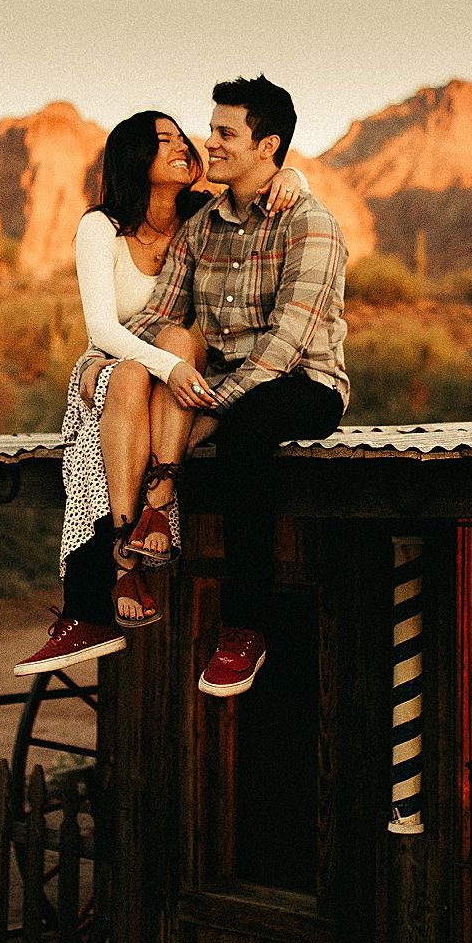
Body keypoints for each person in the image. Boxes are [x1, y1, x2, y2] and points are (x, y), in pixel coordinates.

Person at [14, 110, 304, 676]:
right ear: (134, 159)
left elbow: (269, 189)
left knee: (178, 335)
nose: (184, 146)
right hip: (120, 368)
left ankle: (150, 509)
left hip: (190, 369)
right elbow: (102, 330)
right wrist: (166, 369)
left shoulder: (204, 214)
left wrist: (296, 178)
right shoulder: (100, 227)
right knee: (128, 370)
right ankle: (133, 536)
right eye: (163, 140)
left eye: (181, 137)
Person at [124, 74, 348, 698]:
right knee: (126, 410)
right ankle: (110, 582)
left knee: (244, 435)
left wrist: (214, 408)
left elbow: (287, 344)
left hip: (303, 384)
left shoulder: (312, 223)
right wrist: (112, 358)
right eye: (212, 128)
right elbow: (160, 315)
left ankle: (245, 627)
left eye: (226, 133)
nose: (210, 142)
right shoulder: (202, 228)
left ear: (267, 146)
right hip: (220, 387)